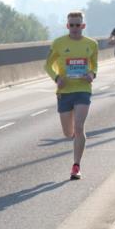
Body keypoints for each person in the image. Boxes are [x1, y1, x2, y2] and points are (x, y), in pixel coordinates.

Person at [44, 11, 98, 180]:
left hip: (83, 89)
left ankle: (76, 165)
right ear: (68, 26)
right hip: (64, 91)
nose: (75, 28)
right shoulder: (59, 43)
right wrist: (57, 77)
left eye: (78, 25)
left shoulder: (91, 44)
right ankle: (75, 138)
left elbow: (94, 66)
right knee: (69, 133)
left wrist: (91, 74)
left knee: (80, 127)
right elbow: (47, 65)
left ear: (83, 26)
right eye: (72, 25)